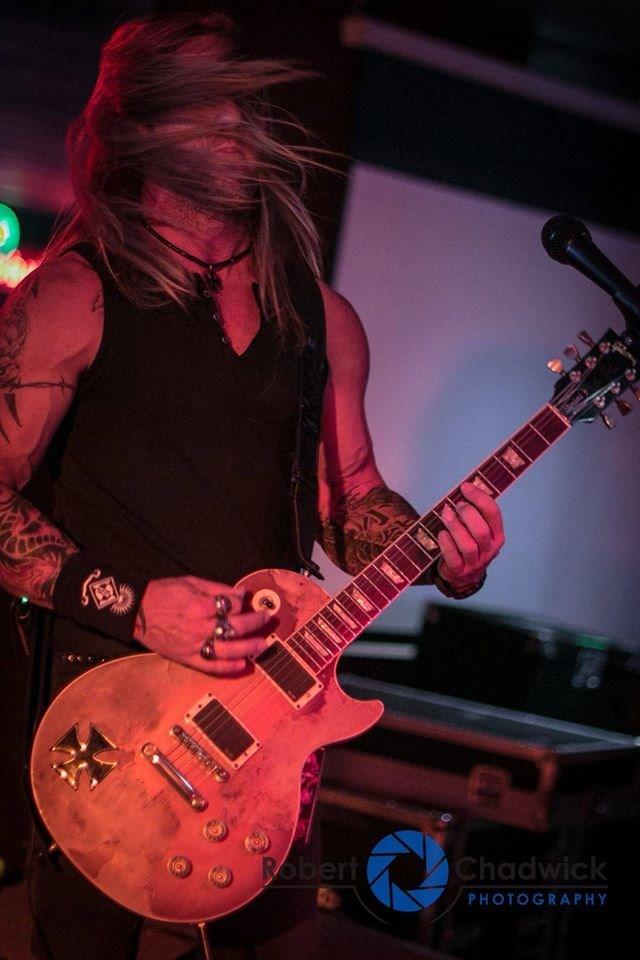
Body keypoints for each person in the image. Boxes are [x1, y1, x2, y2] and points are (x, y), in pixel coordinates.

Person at [0, 12, 505, 960]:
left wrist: (447, 556)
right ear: (143, 128)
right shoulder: (76, 294)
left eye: (246, 103)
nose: (239, 124)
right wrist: (134, 604)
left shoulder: (322, 317)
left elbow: (350, 503)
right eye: (208, 105)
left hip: (270, 721)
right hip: (111, 722)